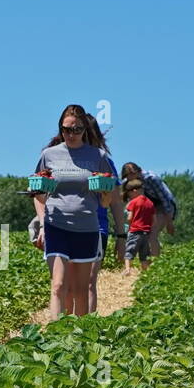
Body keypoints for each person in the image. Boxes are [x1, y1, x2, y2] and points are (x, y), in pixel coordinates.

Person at [31, 105, 113, 319]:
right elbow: (38, 194)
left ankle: (80, 336)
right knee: (58, 285)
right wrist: (41, 223)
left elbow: (106, 201)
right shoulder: (49, 155)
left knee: (80, 290)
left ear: (85, 129)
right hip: (56, 224)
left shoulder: (98, 156)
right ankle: (57, 335)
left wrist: (104, 193)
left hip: (86, 226)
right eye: (66, 129)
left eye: (76, 129)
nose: (71, 134)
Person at [84, 114, 125, 311]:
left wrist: (121, 235)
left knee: (89, 281)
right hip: (64, 227)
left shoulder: (104, 162)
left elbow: (116, 201)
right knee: (64, 284)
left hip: (96, 227)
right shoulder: (59, 159)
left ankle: (85, 331)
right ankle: (64, 332)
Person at [119, 162, 176, 256]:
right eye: (128, 176)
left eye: (133, 174)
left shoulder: (151, 178)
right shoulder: (127, 183)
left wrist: (169, 222)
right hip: (149, 208)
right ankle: (150, 257)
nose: (132, 178)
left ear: (139, 171)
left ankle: (155, 263)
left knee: (152, 234)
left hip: (163, 206)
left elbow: (165, 200)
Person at [123, 178, 154, 272]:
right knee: (144, 255)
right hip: (146, 233)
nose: (129, 196)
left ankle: (127, 270)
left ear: (134, 190)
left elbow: (129, 218)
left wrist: (129, 224)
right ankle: (145, 271)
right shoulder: (150, 203)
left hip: (135, 231)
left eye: (129, 193)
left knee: (129, 251)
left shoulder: (133, 202)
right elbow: (154, 220)